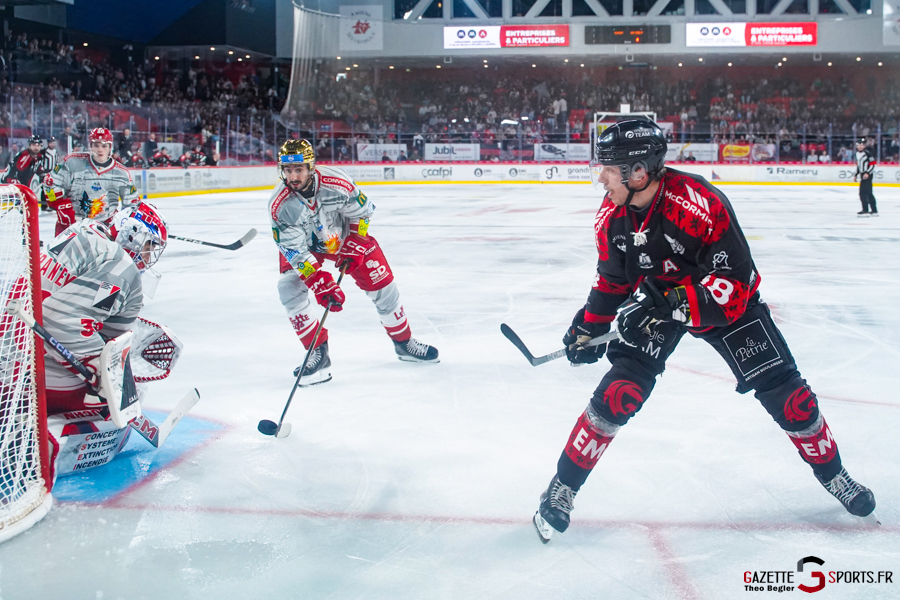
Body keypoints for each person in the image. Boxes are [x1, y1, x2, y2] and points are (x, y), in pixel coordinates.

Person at [532, 119, 876, 543]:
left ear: (639, 172)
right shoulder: (612, 215)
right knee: (619, 395)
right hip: (655, 306)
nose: (600, 177)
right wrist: (587, 326)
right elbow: (612, 280)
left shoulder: (699, 203)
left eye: (608, 167)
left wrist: (673, 303)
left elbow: (735, 283)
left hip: (720, 305)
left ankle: (835, 475)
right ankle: (562, 486)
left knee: (792, 399)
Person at [269, 139, 439, 385]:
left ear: (310, 167)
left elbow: (364, 212)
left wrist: (357, 241)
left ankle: (404, 343)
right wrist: (317, 280)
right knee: (288, 288)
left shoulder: (337, 183)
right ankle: (318, 353)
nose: (293, 176)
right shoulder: (280, 204)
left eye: (298, 169)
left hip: (344, 237)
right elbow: (292, 250)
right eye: (288, 170)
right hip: (306, 247)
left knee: (383, 285)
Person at [37, 203, 171, 475]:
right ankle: (42, 443)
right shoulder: (119, 267)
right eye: (149, 246)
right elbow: (59, 321)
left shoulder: (85, 230)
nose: (148, 256)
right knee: (110, 399)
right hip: (34, 367)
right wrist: (103, 373)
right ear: (134, 233)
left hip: (13, 343)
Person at [43, 127, 140, 236]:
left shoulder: (121, 172)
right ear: (90, 146)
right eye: (96, 145)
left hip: (105, 229)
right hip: (72, 227)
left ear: (110, 147)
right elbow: (49, 183)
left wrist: (123, 225)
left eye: (104, 146)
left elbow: (132, 204)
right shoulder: (72, 162)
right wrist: (58, 204)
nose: (100, 150)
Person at [853, 137, 877, 216]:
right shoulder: (857, 154)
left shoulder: (867, 153)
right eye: (858, 145)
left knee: (863, 192)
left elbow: (873, 164)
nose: (860, 146)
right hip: (862, 174)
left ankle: (866, 210)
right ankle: (874, 210)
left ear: (864, 146)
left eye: (861, 145)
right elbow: (859, 166)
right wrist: (856, 174)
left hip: (867, 175)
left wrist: (868, 173)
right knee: (868, 193)